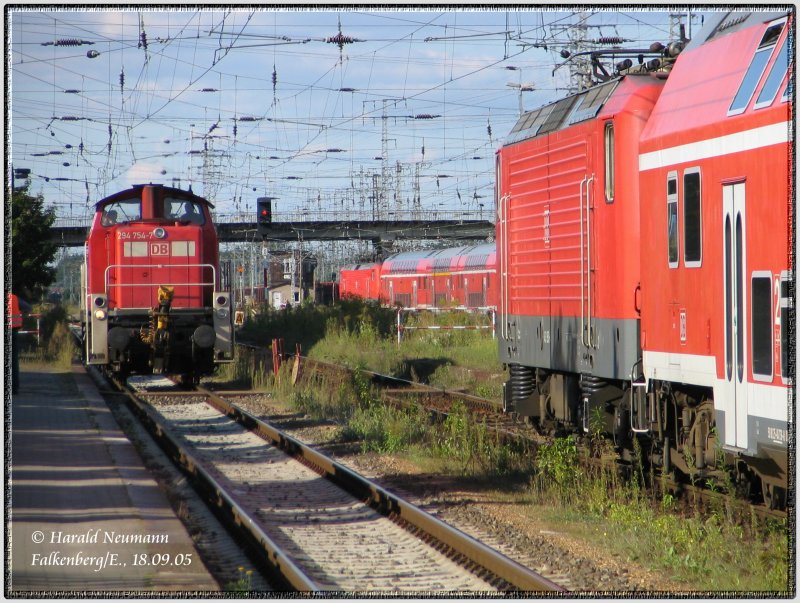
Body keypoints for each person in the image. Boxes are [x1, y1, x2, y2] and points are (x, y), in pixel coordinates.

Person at [8, 292, 30, 395]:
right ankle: (14, 388)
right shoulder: (14, 298)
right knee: (14, 361)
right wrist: (22, 316)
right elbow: (28, 307)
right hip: (13, 331)